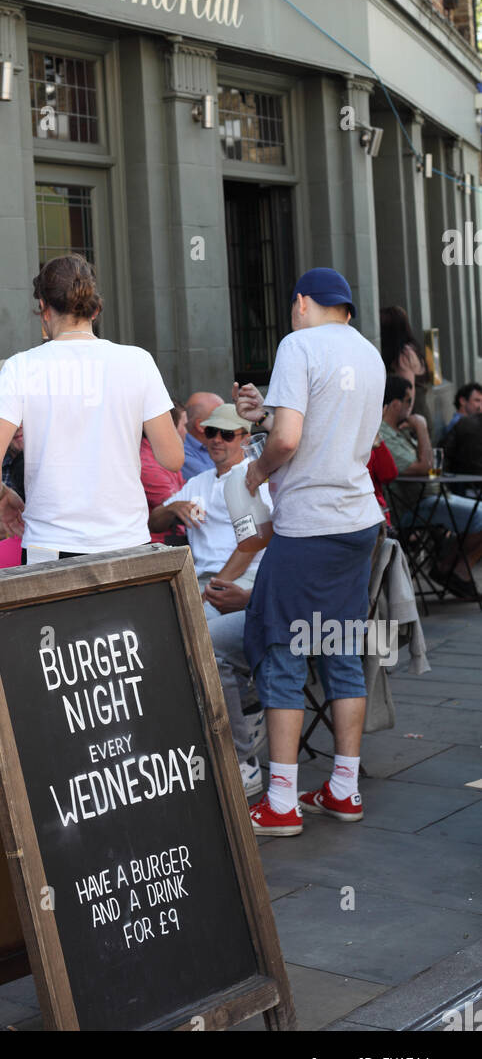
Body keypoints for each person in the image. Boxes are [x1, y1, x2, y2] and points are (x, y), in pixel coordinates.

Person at [234, 268, 385, 837]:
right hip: (358, 521)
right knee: (341, 648)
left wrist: (258, 467)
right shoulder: (370, 354)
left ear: (301, 303)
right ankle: (343, 788)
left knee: (282, 651)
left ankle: (280, 802)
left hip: (310, 526)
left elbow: (291, 440)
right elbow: (339, 432)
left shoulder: (297, 344)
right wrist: (265, 415)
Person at [0, 254, 183, 560]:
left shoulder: (20, 367)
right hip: (126, 540)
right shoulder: (138, 361)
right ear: (94, 309)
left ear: (43, 308)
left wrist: (1, 496)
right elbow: (173, 457)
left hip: (48, 544)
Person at [148, 403, 271, 794]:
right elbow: (152, 523)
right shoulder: (198, 481)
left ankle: (241, 756)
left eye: (227, 434)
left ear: (245, 439)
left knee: (198, 643)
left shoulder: (251, 480)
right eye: (211, 432)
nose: (217, 440)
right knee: (154, 641)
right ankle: (204, 739)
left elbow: (254, 543)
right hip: (198, 583)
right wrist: (174, 507)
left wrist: (214, 586)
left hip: (239, 582)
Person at [379, 375, 482, 595]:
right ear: (396, 404)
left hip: (434, 498)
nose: (411, 407)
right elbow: (424, 467)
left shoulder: (402, 431)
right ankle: (453, 569)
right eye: (409, 401)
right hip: (412, 507)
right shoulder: (384, 436)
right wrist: (422, 427)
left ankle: (451, 566)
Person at [380, 305, 431, 435]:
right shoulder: (410, 350)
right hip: (418, 415)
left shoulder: (404, 355)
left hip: (411, 420)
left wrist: (404, 420)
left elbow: (408, 392)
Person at [141, 402, 186, 543]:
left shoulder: (164, 457)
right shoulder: (147, 464)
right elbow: (180, 506)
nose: (187, 432)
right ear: (169, 429)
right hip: (159, 546)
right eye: (184, 425)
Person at [181, 391, 224, 480]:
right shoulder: (183, 453)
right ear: (201, 426)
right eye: (222, 419)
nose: (228, 424)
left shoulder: (225, 439)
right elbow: (216, 481)